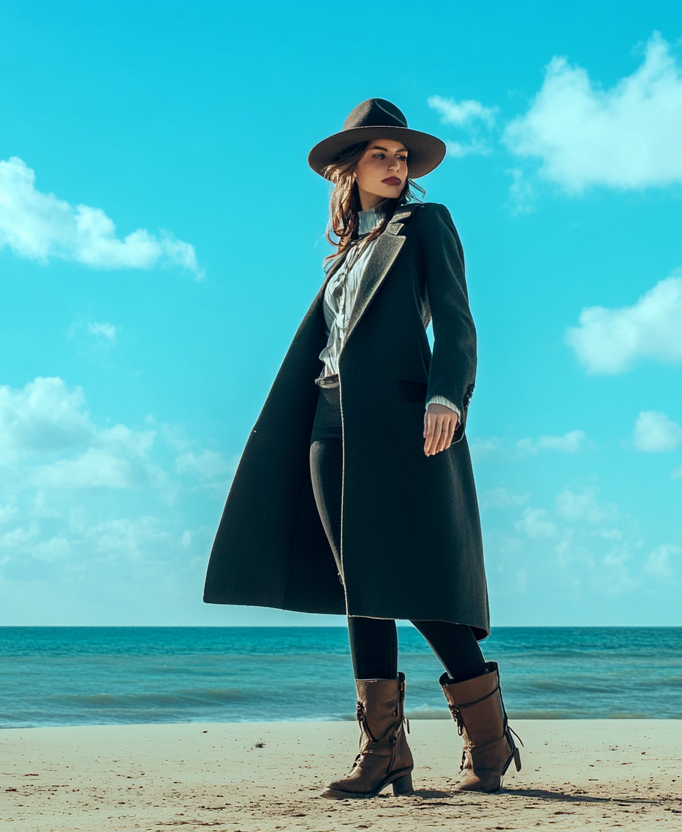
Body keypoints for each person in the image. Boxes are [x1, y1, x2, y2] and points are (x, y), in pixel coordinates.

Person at [202, 98, 521, 799]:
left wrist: (448, 395)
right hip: (328, 424)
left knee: (409, 579)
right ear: (347, 170)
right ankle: (383, 754)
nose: (395, 165)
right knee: (361, 587)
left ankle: (489, 744)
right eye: (380, 154)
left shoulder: (427, 224)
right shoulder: (345, 253)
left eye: (401, 156)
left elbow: (459, 321)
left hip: (401, 424)